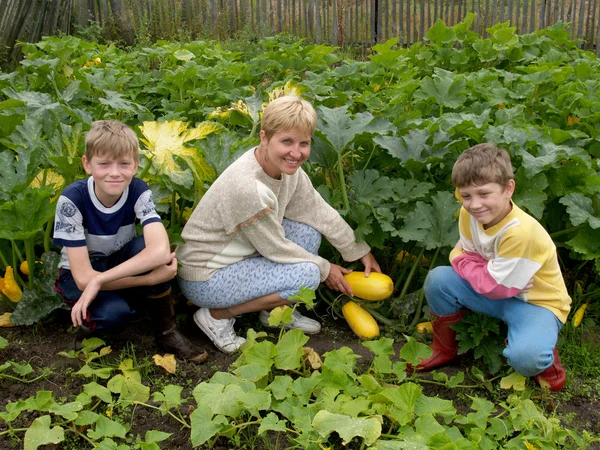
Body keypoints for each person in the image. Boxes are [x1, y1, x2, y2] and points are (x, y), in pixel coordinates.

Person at [176, 95, 380, 354]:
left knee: (307, 232)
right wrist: (326, 268)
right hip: (205, 277)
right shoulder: (248, 187)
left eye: (303, 143)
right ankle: (217, 315)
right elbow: (276, 249)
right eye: (286, 141)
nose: (296, 153)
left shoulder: (286, 169)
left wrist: (357, 249)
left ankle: (276, 311)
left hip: (238, 257)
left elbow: (317, 210)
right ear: (264, 137)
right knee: (308, 274)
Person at [414, 143, 571, 390]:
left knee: (526, 358)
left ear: (508, 188)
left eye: (484, 194)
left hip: (537, 303)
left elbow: (483, 275)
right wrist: (473, 265)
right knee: (438, 280)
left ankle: (549, 367)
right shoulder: (470, 215)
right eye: (466, 196)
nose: (475, 204)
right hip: (497, 292)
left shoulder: (520, 232)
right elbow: (464, 256)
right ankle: (444, 350)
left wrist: (473, 266)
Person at [53, 120, 207, 363]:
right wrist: (150, 279)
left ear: (135, 165)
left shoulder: (138, 190)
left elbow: (160, 251)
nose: (115, 173)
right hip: (76, 275)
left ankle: (167, 332)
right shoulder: (72, 199)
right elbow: (84, 279)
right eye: (104, 164)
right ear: (87, 164)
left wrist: (100, 280)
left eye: (124, 164)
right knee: (114, 314)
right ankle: (88, 329)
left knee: (152, 251)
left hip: (112, 268)